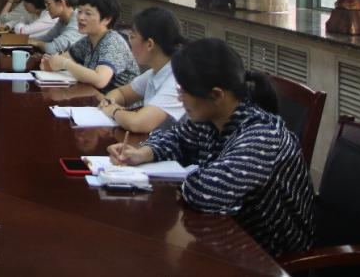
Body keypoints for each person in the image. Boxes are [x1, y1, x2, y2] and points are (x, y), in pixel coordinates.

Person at [108, 38, 315, 257]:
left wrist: (177, 181)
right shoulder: (213, 118)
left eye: (183, 91)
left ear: (216, 95)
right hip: (227, 238)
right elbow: (176, 138)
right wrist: (143, 153)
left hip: (269, 256)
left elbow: (207, 192)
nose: (179, 97)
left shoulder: (262, 136)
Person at [97, 7, 185, 132]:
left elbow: (138, 123)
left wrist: (114, 111)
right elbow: (122, 94)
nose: (130, 42)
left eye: (132, 37)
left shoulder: (176, 79)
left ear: (149, 44)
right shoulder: (155, 72)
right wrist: (108, 101)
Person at [44, 0, 138, 91]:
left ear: (107, 19)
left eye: (88, 13)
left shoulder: (114, 42)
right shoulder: (87, 40)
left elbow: (100, 80)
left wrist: (65, 64)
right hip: (96, 96)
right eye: (79, 11)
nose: (80, 17)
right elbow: (61, 59)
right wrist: (49, 63)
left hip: (119, 100)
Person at [32, 0, 83, 64]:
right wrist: (28, 40)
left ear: (60, 2)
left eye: (48, 4)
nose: (47, 9)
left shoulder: (78, 20)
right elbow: (48, 38)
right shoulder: (62, 19)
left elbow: (52, 49)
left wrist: (36, 43)